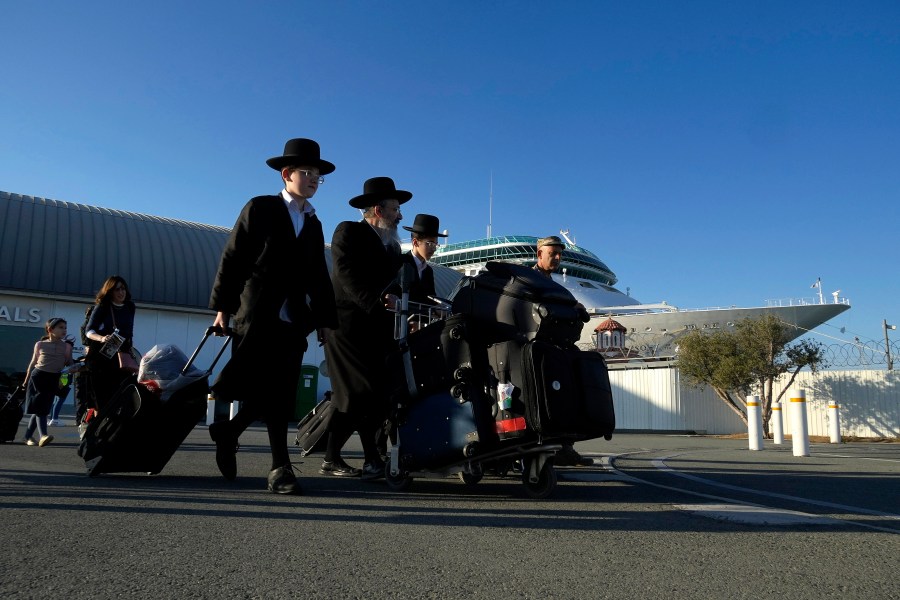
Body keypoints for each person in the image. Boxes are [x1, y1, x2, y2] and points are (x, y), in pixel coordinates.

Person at [208, 137, 338, 495]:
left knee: (280, 390)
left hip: (294, 319)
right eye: (307, 172)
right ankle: (279, 467)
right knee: (272, 390)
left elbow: (317, 275)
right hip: (258, 312)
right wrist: (223, 307)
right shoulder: (261, 208)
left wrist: (325, 319)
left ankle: (232, 434)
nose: (314, 179)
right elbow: (233, 258)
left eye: (318, 175)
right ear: (286, 174)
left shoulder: (313, 223)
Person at [320, 177, 409, 480]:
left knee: (368, 393)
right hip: (345, 326)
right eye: (395, 209)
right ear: (377, 209)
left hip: (376, 327)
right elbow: (346, 275)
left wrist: (394, 297)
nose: (400, 215)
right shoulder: (349, 231)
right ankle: (372, 459)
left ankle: (333, 457)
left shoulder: (393, 247)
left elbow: (392, 283)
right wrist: (376, 302)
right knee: (361, 390)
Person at [533, 235, 594, 467]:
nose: (558, 258)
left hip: (555, 344)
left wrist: (573, 306)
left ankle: (564, 445)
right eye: (552, 254)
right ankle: (553, 445)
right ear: (540, 254)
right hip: (539, 346)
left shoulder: (553, 283)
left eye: (559, 254)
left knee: (570, 385)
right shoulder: (531, 279)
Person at [84, 276, 137, 412]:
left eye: (123, 288)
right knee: (101, 397)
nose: (121, 292)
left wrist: (130, 350)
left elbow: (129, 332)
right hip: (101, 355)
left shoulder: (130, 307)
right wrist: (101, 338)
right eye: (117, 289)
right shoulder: (102, 306)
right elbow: (89, 331)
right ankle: (96, 425)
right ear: (110, 291)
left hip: (120, 353)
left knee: (122, 392)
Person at [22, 318, 74, 446]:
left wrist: (75, 367)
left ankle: (27, 436)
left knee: (41, 408)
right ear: (50, 330)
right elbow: (33, 362)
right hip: (38, 376)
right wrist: (26, 378)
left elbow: (69, 363)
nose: (64, 330)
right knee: (42, 407)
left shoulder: (67, 346)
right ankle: (43, 436)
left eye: (65, 327)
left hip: (54, 377)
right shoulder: (40, 344)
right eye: (60, 327)